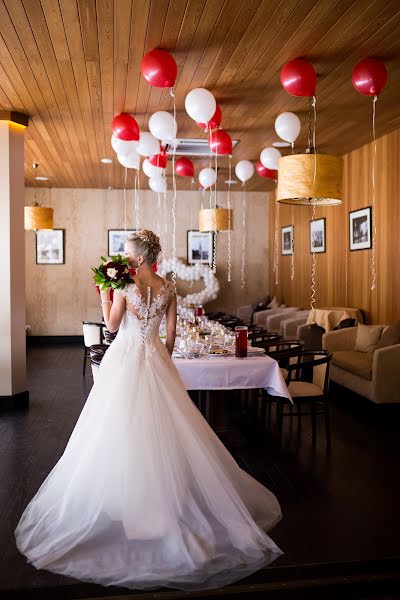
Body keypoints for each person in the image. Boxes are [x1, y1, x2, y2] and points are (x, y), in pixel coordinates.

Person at [15, 230, 283, 591]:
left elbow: (111, 327)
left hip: (125, 361)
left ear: (140, 258)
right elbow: (170, 334)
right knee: (166, 430)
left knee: (118, 428)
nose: (123, 257)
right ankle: (164, 497)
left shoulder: (125, 288)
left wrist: (103, 297)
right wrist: (162, 359)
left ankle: (127, 497)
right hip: (156, 359)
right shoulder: (169, 288)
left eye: (126, 253)